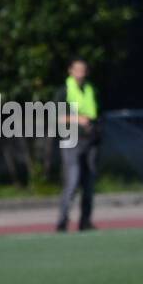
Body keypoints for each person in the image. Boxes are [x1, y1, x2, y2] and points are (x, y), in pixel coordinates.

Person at [57, 58, 101, 232]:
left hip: (91, 141)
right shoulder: (64, 91)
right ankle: (62, 220)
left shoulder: (91, 90)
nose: (81, 73)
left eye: (84, 70)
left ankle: (85, 220)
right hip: (71, 139)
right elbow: (57, 117)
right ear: (70, 71)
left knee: (89, 183)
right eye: (77, 70)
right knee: (72, 181)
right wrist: (78, 119)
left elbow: (97, 113)